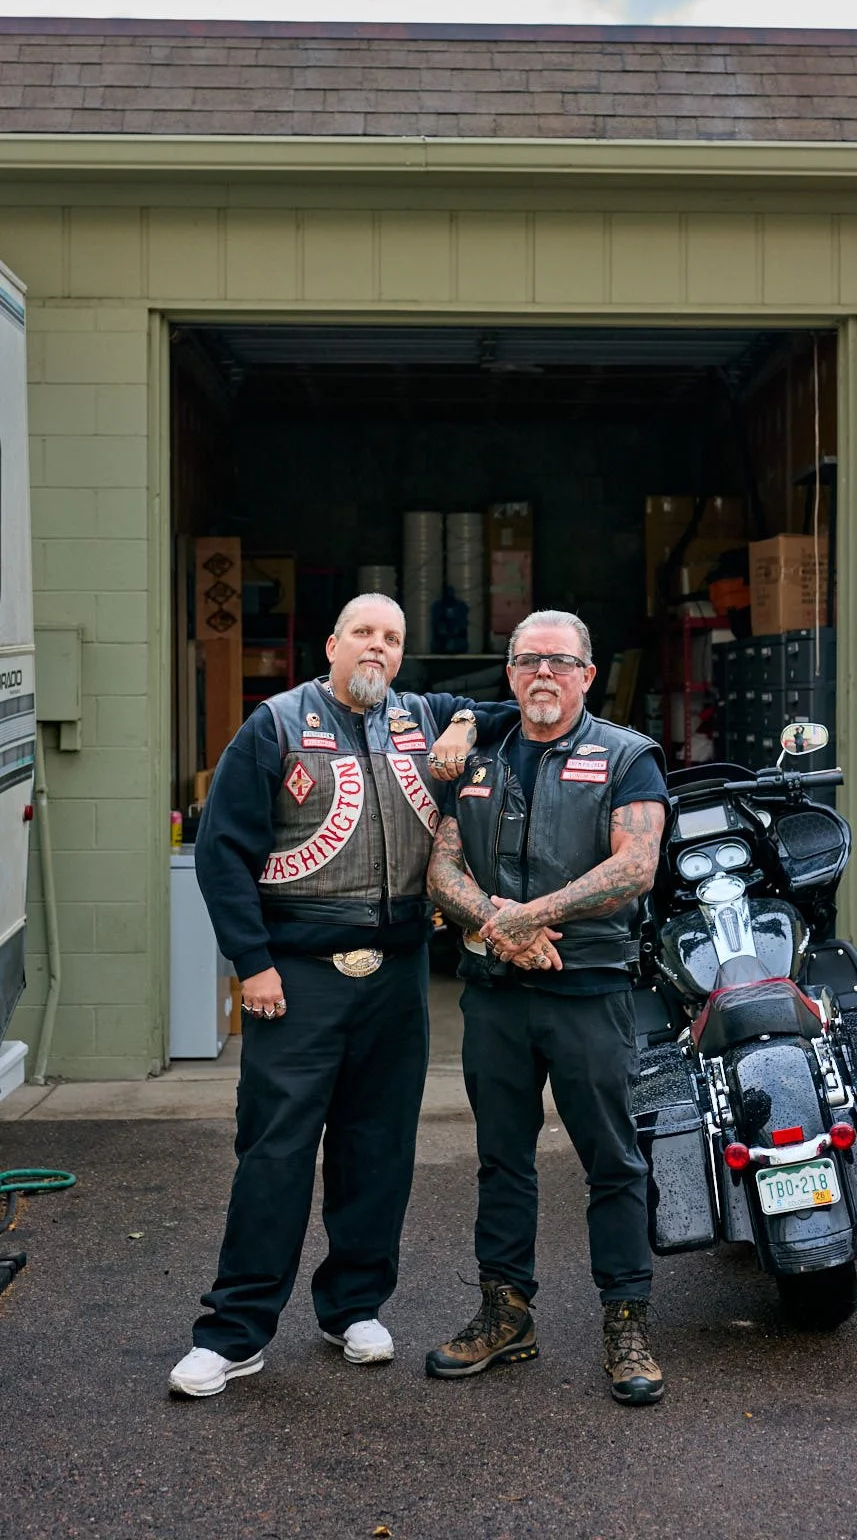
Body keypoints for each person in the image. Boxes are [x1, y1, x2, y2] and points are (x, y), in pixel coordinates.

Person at [169, 593, 514, 1398]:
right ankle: (233, 1333)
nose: (377, 647)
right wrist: (251, 964)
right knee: (275, 1154)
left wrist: (462, 725)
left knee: (378, 1149)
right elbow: (222, 854)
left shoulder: (425, 714)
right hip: (294, 975)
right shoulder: (276, 725)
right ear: (331, 643)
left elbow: (508, 711)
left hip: (394, 977)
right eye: (362, 632)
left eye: (391, 638)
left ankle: (353, 1307)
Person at [423, 609, 669, 1406]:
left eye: (560, 663)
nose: (543, 675)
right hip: (496, 991)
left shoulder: (627, 757)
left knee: (613, 1161)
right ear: (510, 672)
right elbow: (442, 870)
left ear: (587, 674)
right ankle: (505, 1312)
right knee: (501, 1159)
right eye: (528, 660)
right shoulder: (479, 756)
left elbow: (636, 865)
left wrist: (538, 914)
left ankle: (624, 1322)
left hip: (588, 991)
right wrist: (503, 930)